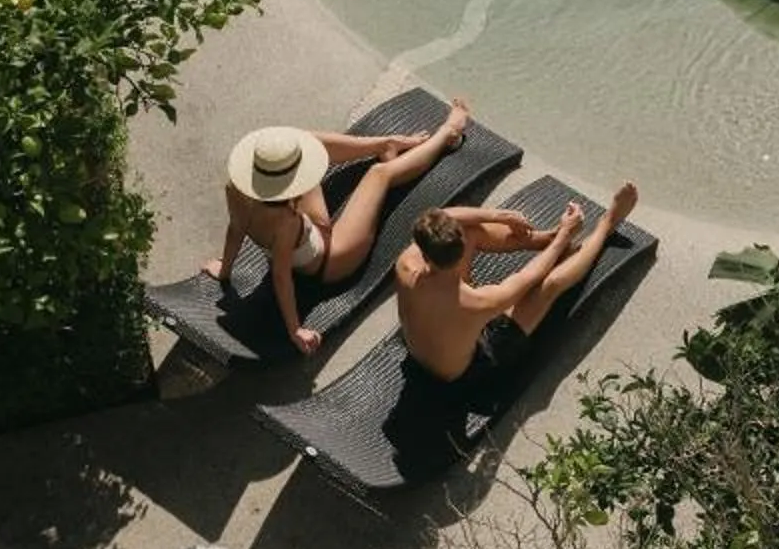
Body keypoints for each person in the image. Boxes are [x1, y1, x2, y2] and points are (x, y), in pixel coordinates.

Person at [207, 100, 471, 355]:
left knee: (303, 143)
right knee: (379, 175)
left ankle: (385, 143)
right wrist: (295, 330)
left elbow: (236, 229)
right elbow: (281, 277)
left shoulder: (236, 189)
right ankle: (446, 134)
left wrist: (225, 270)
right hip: (332, 259)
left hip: (306, 233)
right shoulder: (285, 224)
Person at [396, 181, 639, 384]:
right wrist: (565, 235)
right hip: (465, 375)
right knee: (547, 287)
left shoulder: (406, 265)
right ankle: (607, 225)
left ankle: (545, 238)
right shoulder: (478, 302)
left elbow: (440, 217)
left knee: (472, 229)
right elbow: (529, 277)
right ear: (459, 252)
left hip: (424, 348)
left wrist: (499, 216)